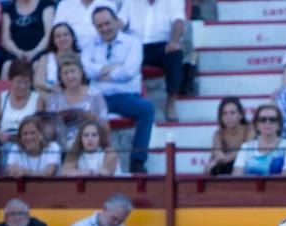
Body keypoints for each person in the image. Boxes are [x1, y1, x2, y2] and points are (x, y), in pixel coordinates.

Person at [83, 6, 154, 173]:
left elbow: (129, 71)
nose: (104, 28)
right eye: (99, 26)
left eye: (107, 23)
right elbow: (86, 70)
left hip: (126, 96)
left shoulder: (133, 43)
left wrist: (100, 72)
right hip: (98, 97)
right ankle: (85, 162)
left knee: (147, 109)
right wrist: (115, 68)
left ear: (116, 21)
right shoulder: (90, 45)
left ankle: (137, 161)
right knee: (78, 110)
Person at [120, 0, 185, 121]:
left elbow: (178, 21)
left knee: (175, 54)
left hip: (162, 45)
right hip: (135, 45)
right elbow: (120, 21)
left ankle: (171, 104)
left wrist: (174, 41)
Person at [45, 53, 108, 148]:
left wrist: (93, 118)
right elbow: (48, 128)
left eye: (73, 71)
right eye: (65, 73)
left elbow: (106, 128)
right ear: (60, 78)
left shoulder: (95, 95)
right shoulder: (54, 98)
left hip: (89, 147)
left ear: (81, 73)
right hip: (62, 148)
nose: (70, 76)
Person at [0, 59, 44, 145]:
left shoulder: (37, 99)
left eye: (26, 82)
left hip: (28, 142)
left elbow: (40, 129)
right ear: (11, 81)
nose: (22, 87)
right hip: (6, 141)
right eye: (18, 82)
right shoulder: (2, 98)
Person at [0, 0, 55, 79]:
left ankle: (39, 90)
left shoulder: (46, 5)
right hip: (15, 52)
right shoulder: (8, 10)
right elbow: (5, 39)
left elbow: (49, 34)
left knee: (37, 66)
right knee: (7, 66)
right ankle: (6, 91)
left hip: (40, 50)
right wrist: (19, 53)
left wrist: (34, 52)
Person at [232, 103, 286, 175]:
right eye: (263, 119)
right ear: (256, 124)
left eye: (272, 119)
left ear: (279, 124)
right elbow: (237, 176)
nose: (267, 122)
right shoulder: (246, 147)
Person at [205, 96, 254, 176]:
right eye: (225, 113)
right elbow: (218, 153)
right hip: (225, 165)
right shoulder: (219, 133)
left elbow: (246, 151)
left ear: (240, 115)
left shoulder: (249, 130)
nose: (228, 117)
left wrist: (226, 157)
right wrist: (219, 159)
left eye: (232, 113)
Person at [53, 0, 121, 51]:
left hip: (101, 52)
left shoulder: (108, 4)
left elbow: (115, 32)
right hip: (72, 54)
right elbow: (57, 33)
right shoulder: (64, 5)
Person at [34, 22, 78, 95]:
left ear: (72, 37)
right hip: (52, 95)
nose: (62, 38)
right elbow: (38, 81)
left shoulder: (81, 56)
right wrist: (51, 87)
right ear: (53, 40)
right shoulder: (46, 58)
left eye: (66, 34)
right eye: (58, 36)